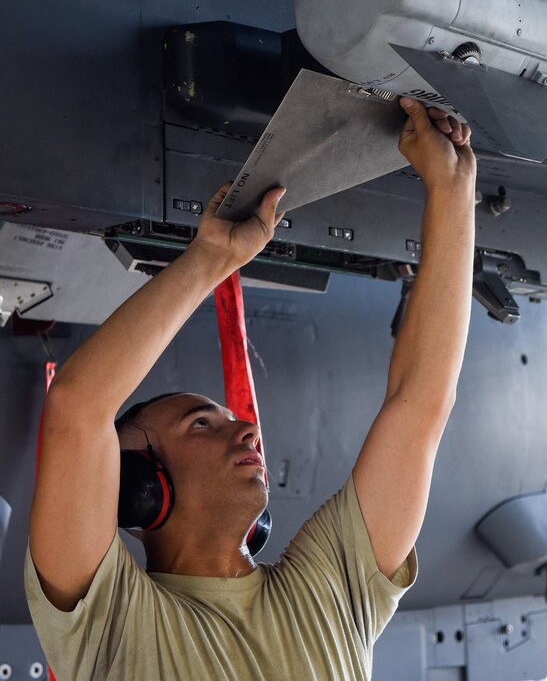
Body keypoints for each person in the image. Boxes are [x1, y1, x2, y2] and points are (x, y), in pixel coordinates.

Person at [25, 99, 475, 681]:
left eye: (214, 419)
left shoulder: (328, 592)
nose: (247, 428)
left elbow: (418, 406)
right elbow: (79, 406)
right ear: (139, 485)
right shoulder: (107, 621)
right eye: (201, 424)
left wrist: (453, 187)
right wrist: (211, 259)